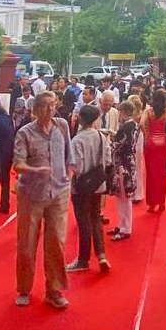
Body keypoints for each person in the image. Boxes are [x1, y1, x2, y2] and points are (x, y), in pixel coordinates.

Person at [13, 91, 73, 309]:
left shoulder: (62, 126)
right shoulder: (25, 133)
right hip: (31, 194)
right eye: (45, 106)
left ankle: (54, 288)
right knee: (27, 242)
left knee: (56, 241)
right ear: (35, 110)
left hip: (59, 191)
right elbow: (18, 164)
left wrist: (68, 175)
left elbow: (69, 154)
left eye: (53, 105)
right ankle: (24, 288)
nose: (50, 110)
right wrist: (36, 170)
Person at [66, 104, 112, 273]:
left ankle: (83, 259)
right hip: (98, 183)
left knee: (83, 221)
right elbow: (108, 159)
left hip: (81, 186)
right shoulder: (101, 136)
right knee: (95, 218)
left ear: (81, 119)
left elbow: (76, 166)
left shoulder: (77, 140)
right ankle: (101, 254)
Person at [141, 90, 166, 213]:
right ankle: (161, 202)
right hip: (162, 141)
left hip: (151, 142)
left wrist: (146, 133)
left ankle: (151, 204)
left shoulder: (148, 111)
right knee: (161, 173)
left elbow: (141, 123)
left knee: (151, 174)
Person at [108, 100, 139, 241]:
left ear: (123, 112)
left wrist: (108, 140)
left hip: (122, 165)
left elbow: (116, 146)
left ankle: (126, 228)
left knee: (123, 196)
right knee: (123, 196)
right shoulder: (135, 125)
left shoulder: (125, 127)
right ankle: (122, 224)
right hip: (129, 162)